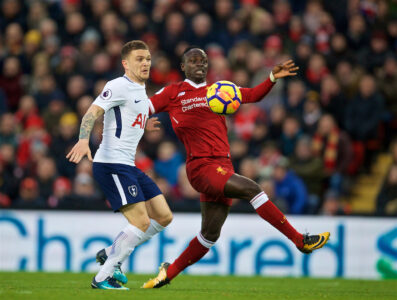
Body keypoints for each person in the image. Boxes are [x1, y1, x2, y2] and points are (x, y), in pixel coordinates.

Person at [142, 47, 330, 288]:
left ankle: (169, 273)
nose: (199, 64)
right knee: (252, 189)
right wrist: (143, 124)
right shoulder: (173, 92)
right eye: (193, 61)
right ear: (183, 66)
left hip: (223, 165)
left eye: (204, 61)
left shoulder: (220, 89)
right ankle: (299, 240)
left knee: (209, 235)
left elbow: (252, 95)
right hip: (201, 167)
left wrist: (272, 78)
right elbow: (142, 108)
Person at [66, 40, 173, 290]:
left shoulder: (140, 90)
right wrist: (83, 140)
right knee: (141, 222)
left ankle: (111, 252)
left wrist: (143, 123)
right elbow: (91, 113)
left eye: (147, 58)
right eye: (139, 59)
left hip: (127, 165)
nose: (146, 62)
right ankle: (103, 276)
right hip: (111, 164)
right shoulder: (117, 85)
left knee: (164, 216)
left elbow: (125, 117)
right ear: (125, 63)